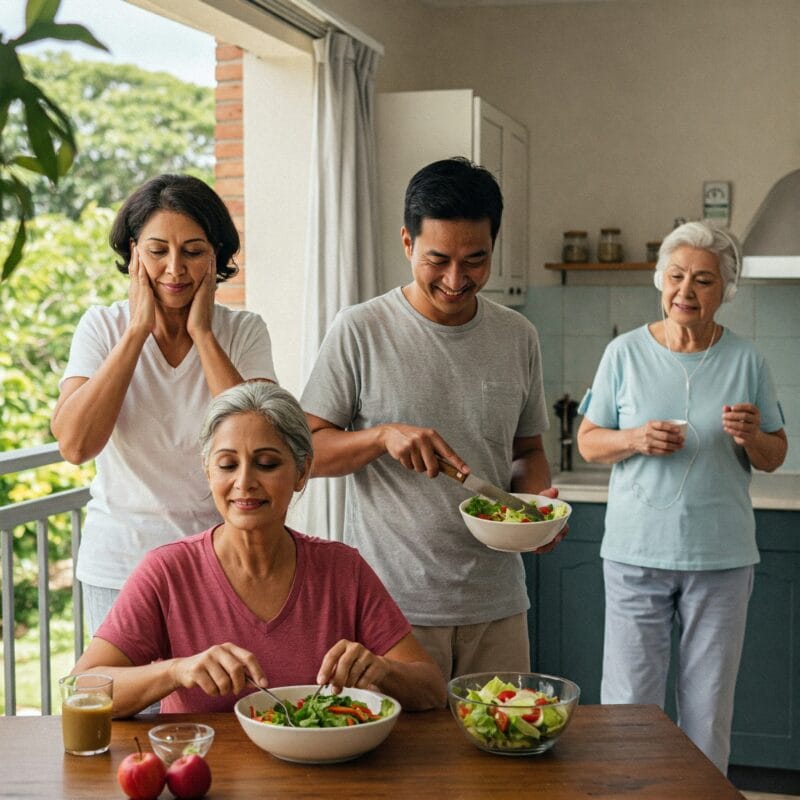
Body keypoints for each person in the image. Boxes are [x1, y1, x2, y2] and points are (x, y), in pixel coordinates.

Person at [301, 157, 562, 683]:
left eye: (475, 261)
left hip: (498, 604)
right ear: (407, 243)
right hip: (393, 609)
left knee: (504, 755)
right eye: (437, 259)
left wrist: (535, 508)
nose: (455, 279)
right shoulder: (360, 329)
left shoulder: (518, 336)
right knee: (404, 763)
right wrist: (380, 437)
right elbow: (304, 454)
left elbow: (527, 451)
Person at [72, 381, 445, 716]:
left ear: (302, 473)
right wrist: (177, 670)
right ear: (208, 471)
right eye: (227, 464)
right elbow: (80, 688)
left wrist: (384, 670)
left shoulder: (342, 568)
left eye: (266, 464)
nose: (244, 482)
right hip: (206, 776)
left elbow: (430, 688)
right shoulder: (167, 571)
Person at [576, 220, 787, 773]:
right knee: (628, 705)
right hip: (634, 555)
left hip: (721, 559)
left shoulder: (747, 360)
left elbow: (774, 455)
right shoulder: (623, 353)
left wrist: (752, 436)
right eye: (675, 276)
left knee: (708, 710)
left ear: (726, 291)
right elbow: (589, 442)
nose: (685, 292)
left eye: (703, 281)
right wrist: (635, 438)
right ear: (658, 278)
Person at [51, 174, 277, 636]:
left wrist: (204, 335)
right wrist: (136, 331)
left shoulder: (244, 331)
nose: (174, 269)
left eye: (193, 252)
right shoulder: (102, 327)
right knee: (127, 707)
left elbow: (263, 442)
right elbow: (75, 445)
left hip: (221, 562)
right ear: (134, 252)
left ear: (215, 256)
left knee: (213, 703)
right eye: (157, 251)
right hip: (120, 567)